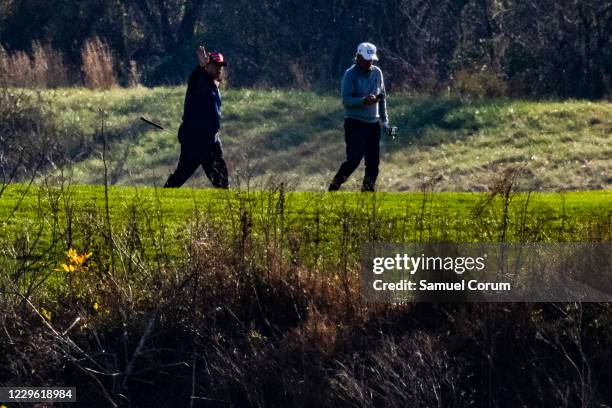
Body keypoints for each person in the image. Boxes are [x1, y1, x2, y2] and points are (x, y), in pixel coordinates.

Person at [164, 45, 229, 188]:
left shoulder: (213, 86)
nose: (219, 68)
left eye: (221, 66)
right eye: (215, 65)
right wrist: (201, 66)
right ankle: (161, 196)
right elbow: (196, 77)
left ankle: (230, 205)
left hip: (211, 141)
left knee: (221, 180)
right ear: (207, 66)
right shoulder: (198, 81)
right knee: (182, 174)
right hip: (195, 141)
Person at [328, 42, 389, 192]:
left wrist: (385, 120)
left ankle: (367, 194)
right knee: (353, 160)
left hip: (373, 125)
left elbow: (382, 97)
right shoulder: (350, 75)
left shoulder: (377, 72)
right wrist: (363, 101)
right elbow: (346, 100)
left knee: (373, 163)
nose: (370, 62)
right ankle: (334, 187)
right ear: (358, 57)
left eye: (372, 59)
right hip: (355, 124)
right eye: (367, 59)